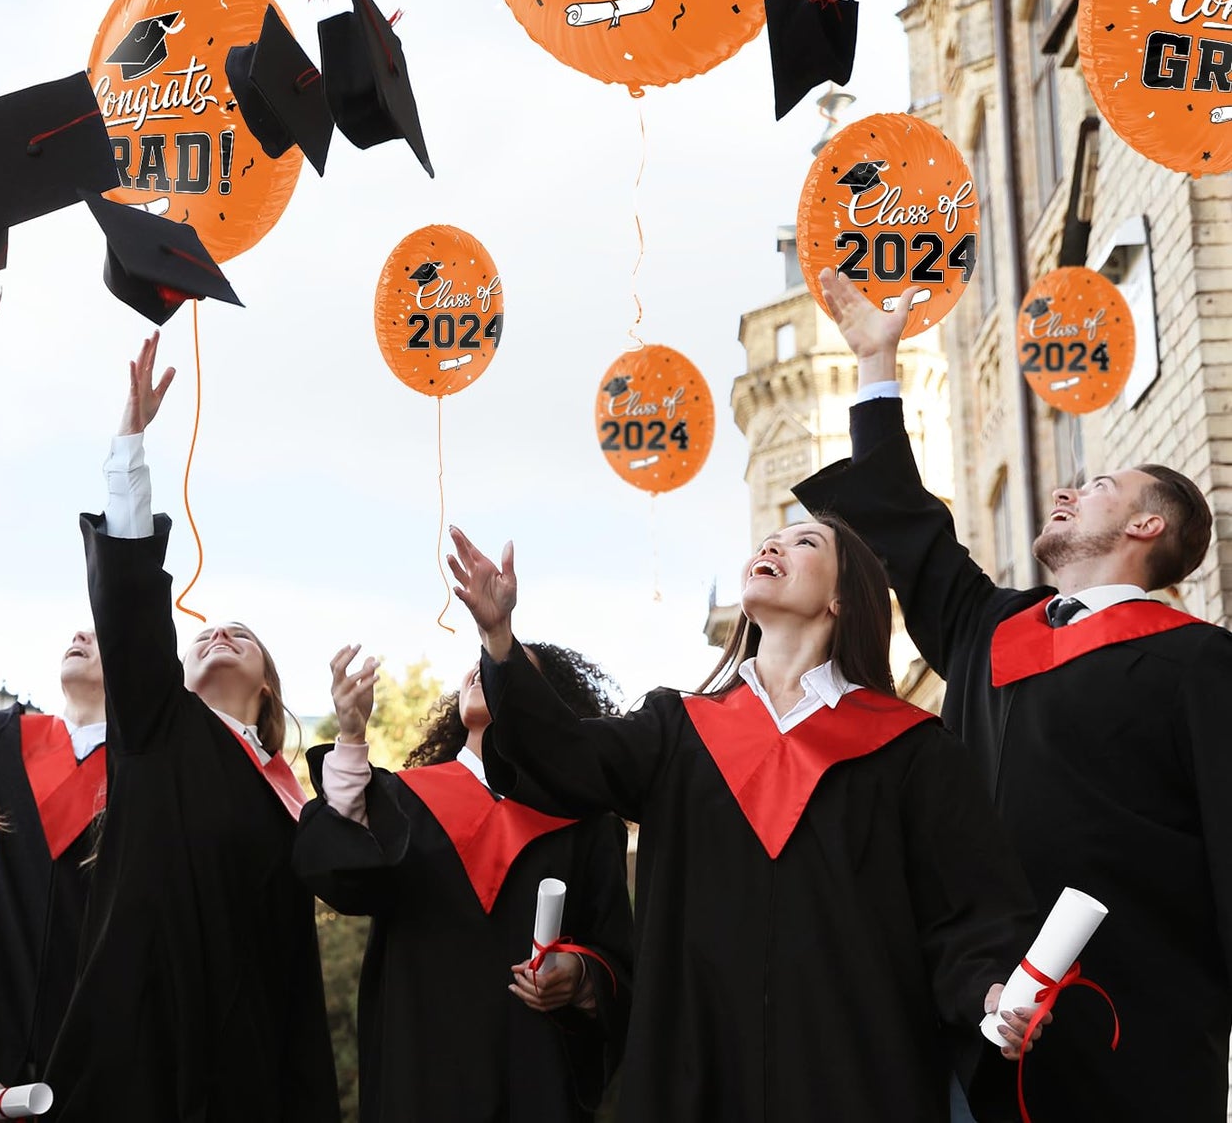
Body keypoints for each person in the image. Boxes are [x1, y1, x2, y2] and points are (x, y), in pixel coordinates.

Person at [793, 267, 1232, 1122]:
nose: (1067, 491)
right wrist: (878, 363)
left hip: (1135, 1027)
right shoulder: (992, 628)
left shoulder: (1199, 663)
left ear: (1148, 527)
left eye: (1099, 487)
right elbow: (910, 533)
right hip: (978, 1014)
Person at [451, 519, 1042, 1123]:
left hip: (853, 1073)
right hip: (696, 1067)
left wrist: (989, 990)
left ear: (844, 597)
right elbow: (560, 753)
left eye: (805, 542)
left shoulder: (910, 750)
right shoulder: (677, 731)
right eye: (769, 540)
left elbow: (968, 913)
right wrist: (499, 639)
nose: (772, 546)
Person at [45, 332, 338, 1122]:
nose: (217, 632)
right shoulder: (158, 723)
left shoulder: (290, 796)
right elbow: (133, 604)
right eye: (206, 629)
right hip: (148, 1045)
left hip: (248, 1065)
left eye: (240, 632)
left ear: (270, 686)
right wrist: (129, 448)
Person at [294, 641, 633, 1122]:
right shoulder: (401, 801)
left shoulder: (587, 826)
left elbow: (618, 959)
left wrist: (579, 977)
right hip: (420, 1079)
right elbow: (336, 873)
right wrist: (351, 736)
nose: (483, 671)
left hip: (535, 1081)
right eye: (478, 665)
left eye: (505, 670)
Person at [0, 624, 106, 1084]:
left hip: (99, 1058)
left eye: (100, 634)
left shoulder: (146, 771)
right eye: (79, 633)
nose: (80, 635)